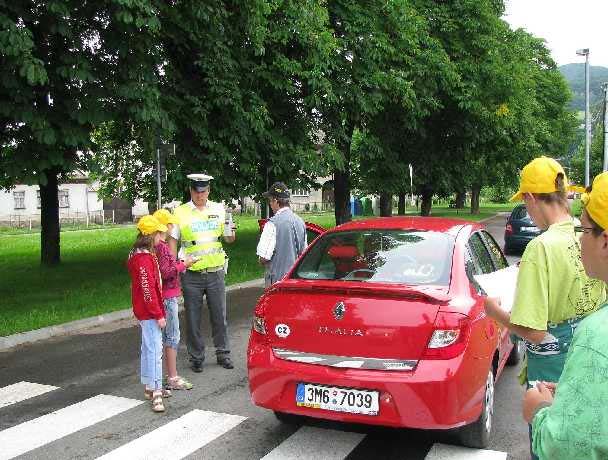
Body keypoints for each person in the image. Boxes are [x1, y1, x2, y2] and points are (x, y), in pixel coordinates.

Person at [484, 156, 605, 459]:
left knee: (548, 441)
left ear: (530, 198)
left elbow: (535, 332)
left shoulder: (541, 247)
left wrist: (494, 311)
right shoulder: (581, 230)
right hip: (586, 366)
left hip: (551, 370)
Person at [523, 172, 608, 459]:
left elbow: (562, 445)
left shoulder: (597, 336)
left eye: (583, 231)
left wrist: (539, 411)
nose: (578, 241)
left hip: (549, 368)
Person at [168, 174, 235, 373]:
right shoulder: (179, 212)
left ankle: (223, 353)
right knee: (193, 317)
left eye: (204, 191)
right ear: (191, 191)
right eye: (197, 192)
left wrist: (231, 230)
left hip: (215, 271)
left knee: (219, 316)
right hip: (191, 274)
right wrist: (172, 268)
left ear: (209, 191)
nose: (200, 195)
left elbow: (229, 239)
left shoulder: (219, 209)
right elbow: (172, 242)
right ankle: (196, 357)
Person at [127, 215, 168, 412]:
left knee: (148, 348)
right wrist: (158, 314)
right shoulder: (143, 259)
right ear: (151, 235)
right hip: (149, 312)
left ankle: (149, 386)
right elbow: (147, 289)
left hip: (146, 311)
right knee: (154, 351)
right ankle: (157, 391)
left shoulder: (141, 254)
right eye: (160, 233)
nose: (162, 237)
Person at [152, 208, 194, 391]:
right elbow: (166, 272)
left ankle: (160, 378)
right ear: (164, 226)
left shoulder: (155, 245)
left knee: (161, 338)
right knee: (172, 336)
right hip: (167, 296)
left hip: (163, 295)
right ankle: (172, 377)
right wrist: (184, 264)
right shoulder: (161, 247)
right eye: (170, 223)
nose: (173, 226)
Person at [256, 182, 306, 287]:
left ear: (276, 201)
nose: (270, 204)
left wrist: (260, 260)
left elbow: (264, 257)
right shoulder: (300, 221)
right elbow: (304, 252)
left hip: (277, 282)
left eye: (270, 200)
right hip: (296, 279)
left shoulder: (272, 224)